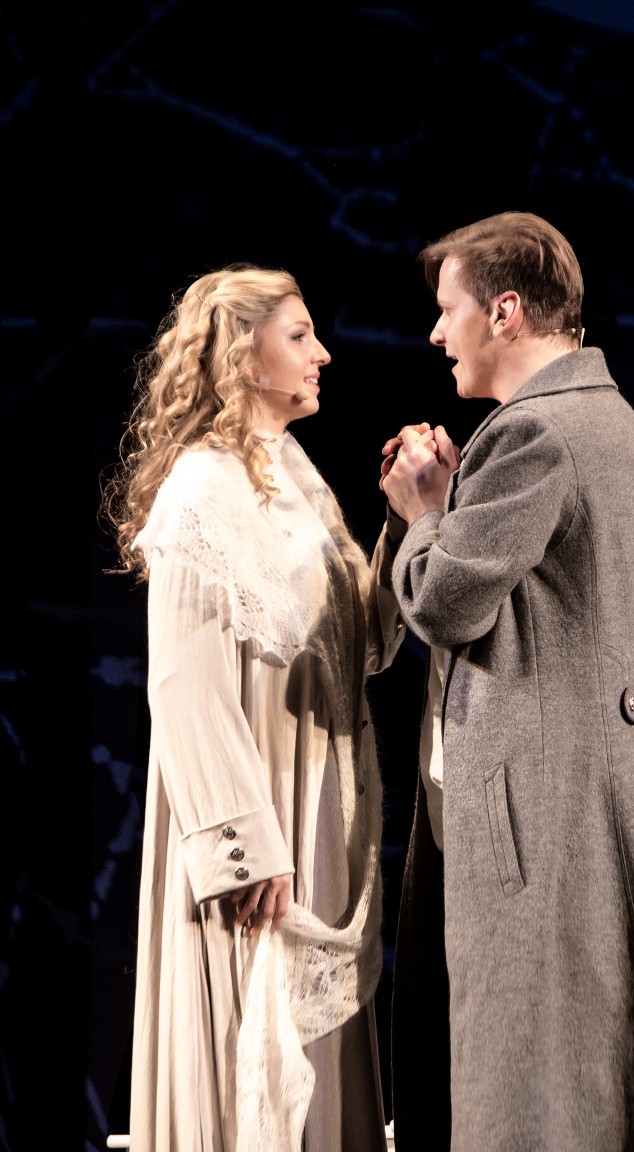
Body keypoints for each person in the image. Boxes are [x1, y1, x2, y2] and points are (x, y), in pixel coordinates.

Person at [379, 212, 634, 1151]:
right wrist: (457, 507)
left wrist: (422, 512)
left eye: (448, 310)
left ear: (505, 312)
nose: (436, 333)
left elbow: (445, 604)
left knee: (533, 1087)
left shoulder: (532, 432)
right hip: (587, 796)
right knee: (588, 1069)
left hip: (540, 810)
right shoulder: (604, 414)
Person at [100, 263, 406, 1152]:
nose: (324, 353)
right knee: (250, 1048)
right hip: (256, 830)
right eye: (300, 335)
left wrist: (405, 521)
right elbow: (183, 686)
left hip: (316, 812)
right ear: (242, 353)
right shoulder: (200, 491)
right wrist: (242, 847)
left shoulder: (291, 477)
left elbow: (361, 645)